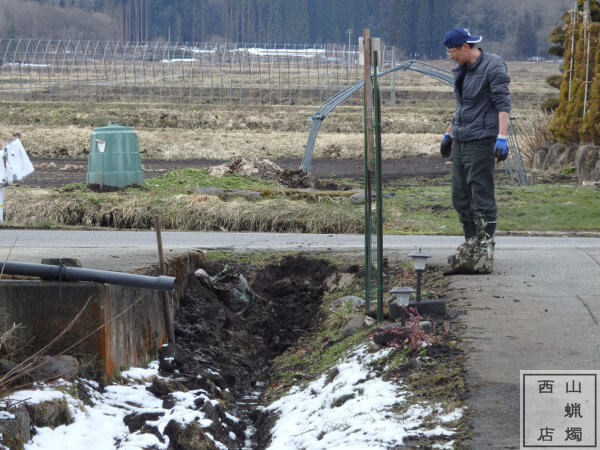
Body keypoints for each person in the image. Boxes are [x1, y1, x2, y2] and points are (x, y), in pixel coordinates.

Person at [440, 27, 511, 241]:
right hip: (461, 138)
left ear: (465, 46)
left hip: (481, 139)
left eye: (453, 51)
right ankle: (471, 243)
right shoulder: (463, 69)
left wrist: (502, 137)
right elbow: (462, 107)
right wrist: (448, 134)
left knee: (480, 192)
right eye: (448, 53)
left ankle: (483, 247)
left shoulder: (493, 65)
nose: (450, 56)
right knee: (459, 195)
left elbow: (503, 104)